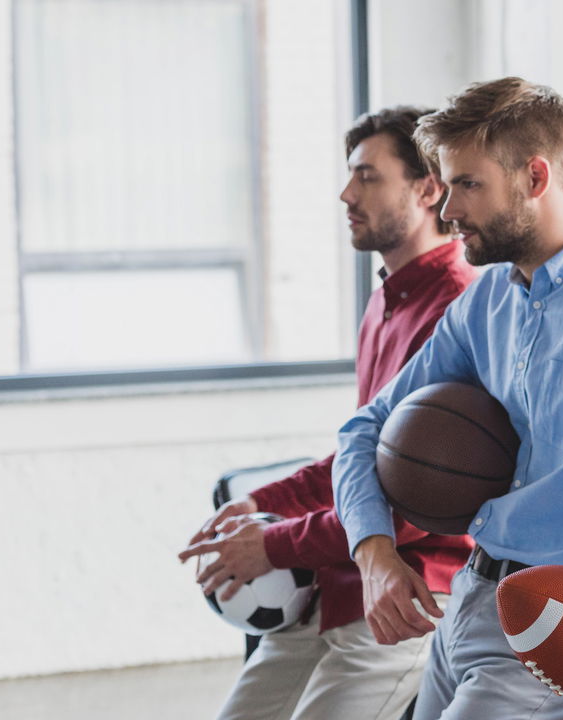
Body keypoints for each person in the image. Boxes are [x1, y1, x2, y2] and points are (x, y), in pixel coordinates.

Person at [333, 77, 563, 720]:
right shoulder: (485, 301)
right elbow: (365, 430)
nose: (447, 210)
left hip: (562, 615)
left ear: (535, 177)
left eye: (466, 185)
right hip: (471, 599)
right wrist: (375, 553)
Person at [178, 106, 476, 720]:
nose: (347, 193)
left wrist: (276, 544)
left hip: (411, 598)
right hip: (338, 588)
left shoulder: (459, 309)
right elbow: (361, 459)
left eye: (368, 176)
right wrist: (264, 500)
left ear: (427, 189)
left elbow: (418, 499)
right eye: (350, 176)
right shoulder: (384, 303)